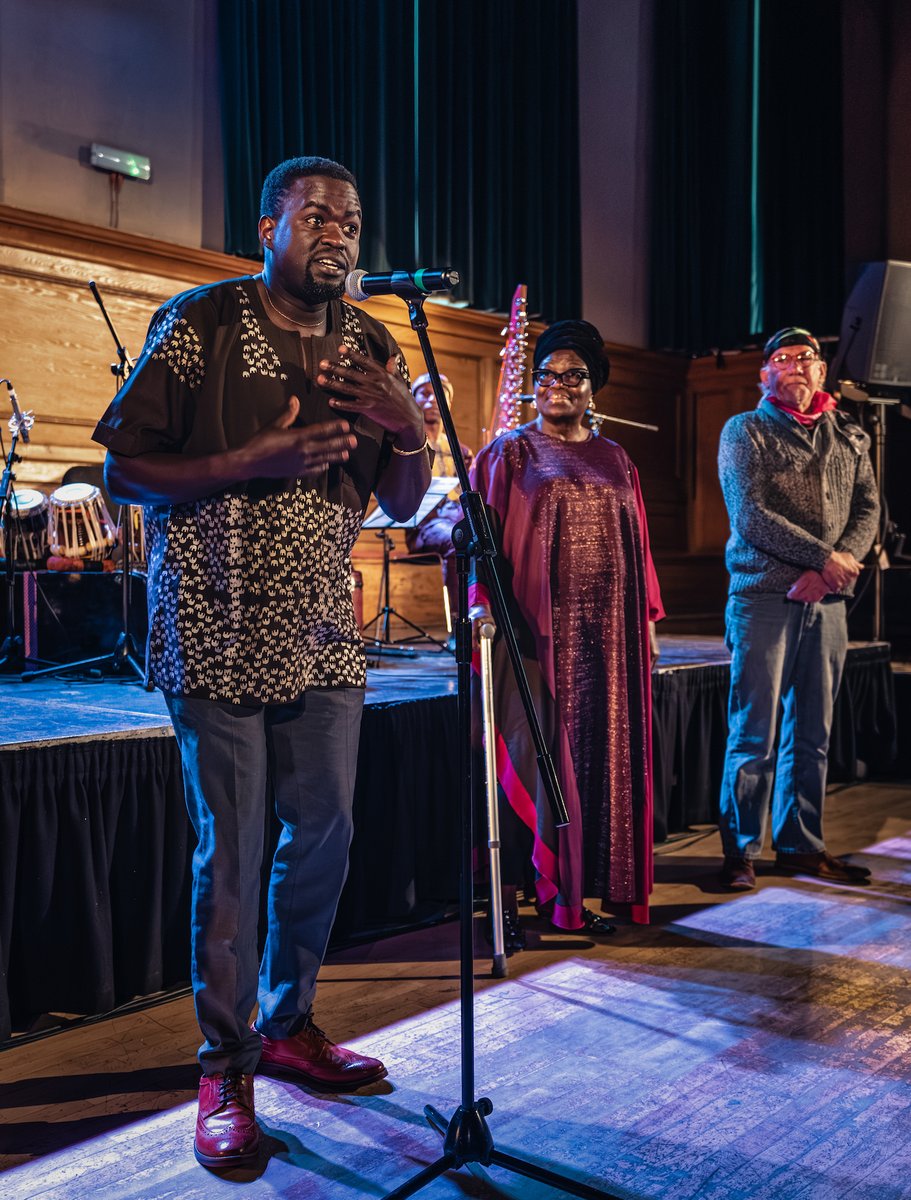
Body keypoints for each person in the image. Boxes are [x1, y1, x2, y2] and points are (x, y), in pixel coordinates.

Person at [93, 156, 431, 1168]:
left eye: (351, 220)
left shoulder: (369, 340)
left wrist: (405, 421)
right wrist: (253, 461)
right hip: (214, 620)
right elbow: (122, 464)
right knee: (230, 853)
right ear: (269, 228)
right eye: (315, 215)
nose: (336, 233)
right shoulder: (199, 324)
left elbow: (406, 502)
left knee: (322, 835)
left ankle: (287, 1025)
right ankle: (224, 1065)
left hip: (324, 624)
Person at [469, 319, 664, 940]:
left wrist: (649, 623)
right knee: (537, 751)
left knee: (600, 757)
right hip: (534, 632)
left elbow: (641, 547)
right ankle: (531, 892)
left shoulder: (616, 458)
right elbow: (482, 541)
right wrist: (482, 605)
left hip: (609, 638)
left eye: (573, 376)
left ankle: (591, 889)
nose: (558, 386)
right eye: (547, 376)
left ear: (592, 386)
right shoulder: (511, 453)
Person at [717, 326, 880, 892]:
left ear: (821, 370)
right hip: (763, 597)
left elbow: (868, 511)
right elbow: (750, 515)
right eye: (780, 358)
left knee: (812, 732)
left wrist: (834, 568)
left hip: (827, 602)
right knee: (753, 732)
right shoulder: (745, 430)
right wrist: (821, 561)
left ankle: (800, 846)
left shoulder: (850, 436)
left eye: (804, 357)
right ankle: (739, 851)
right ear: (765, 375)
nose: (793, 365)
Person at [403, 372, 473, 622]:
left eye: (439, 394)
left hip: (455, 519)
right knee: (457, 540)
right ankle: (458, 622)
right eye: (425, 393)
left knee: (484, 539)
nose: (432, 399)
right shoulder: (408, 444)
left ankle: (483, 617)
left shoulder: (461, 451)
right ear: (414, 399)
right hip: (424, 526)